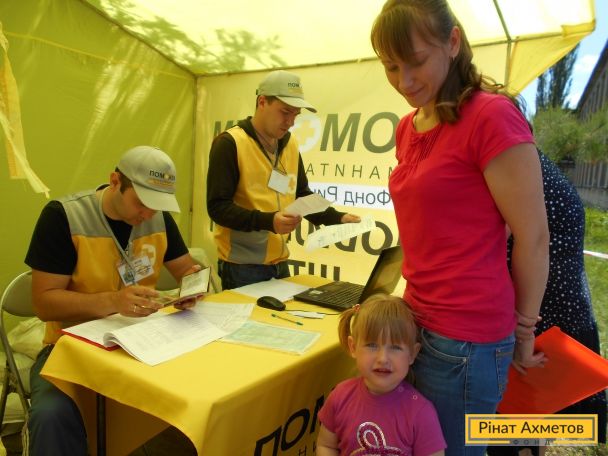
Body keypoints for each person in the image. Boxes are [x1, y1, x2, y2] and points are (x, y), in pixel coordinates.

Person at [370, 1, 550, 455]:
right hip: (415, 327)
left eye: (415, 62)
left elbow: (533, 236)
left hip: (467, 343)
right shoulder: (407, 128)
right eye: (391, 67)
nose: (404, 82)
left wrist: (524, 332)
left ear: (452, 42)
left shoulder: (491, 116)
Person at [25, 145, 201, 455]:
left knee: (197, 386)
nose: (147, 215)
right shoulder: (64, 217)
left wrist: (193, 286)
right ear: (115, 181)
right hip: (69, 349)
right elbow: (43, 303)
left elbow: (186, 269)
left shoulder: (157, 219)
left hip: (141, 344)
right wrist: (112, 301)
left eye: (157, 206)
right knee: (52, 415)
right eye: (141, 202)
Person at [487, 150, 608, 456]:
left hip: (538, 317)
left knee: (513, 430)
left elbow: (493, 244)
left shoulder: (509, 162)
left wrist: (521, 331)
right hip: (557, 314)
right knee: (533, 420)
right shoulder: (535, 163)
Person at [206, 70, 360, 290]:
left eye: (295, 114)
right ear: (262, 102)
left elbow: (302, 194)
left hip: (280, 262)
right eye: (285, 112)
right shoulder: (230, 143)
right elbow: (218, 208)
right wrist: (269, 221)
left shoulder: (289, 143)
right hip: (241, 267)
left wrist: (337, 217)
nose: (290, 122)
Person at [316, 294, 446, 456]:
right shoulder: (339, 397)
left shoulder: (422, 413)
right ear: (353, 347)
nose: (383, 358)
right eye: (372, 345)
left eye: (395, 347)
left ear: (413, 353)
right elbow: (326, 446)